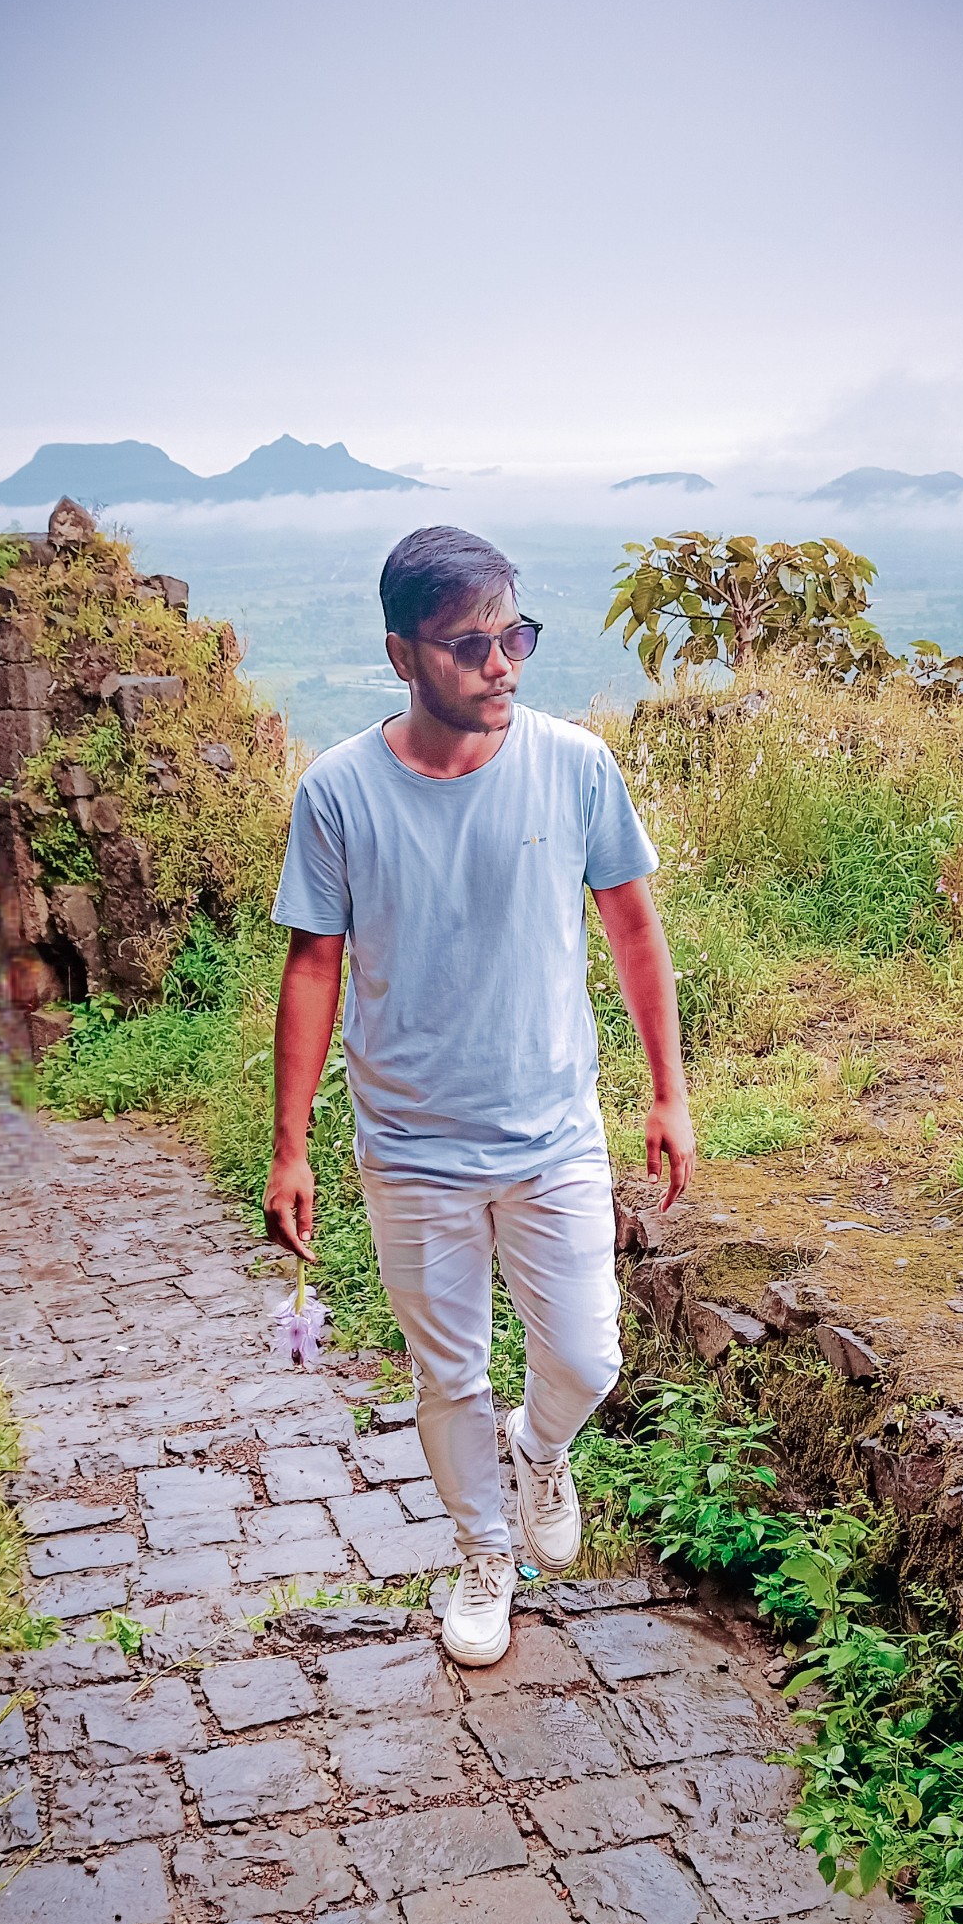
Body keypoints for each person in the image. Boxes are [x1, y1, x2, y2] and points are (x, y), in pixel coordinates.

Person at [266, 526, 695, 1667]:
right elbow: (312, 968)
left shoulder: (574, 765)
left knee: (588, 1359)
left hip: (551, 1131)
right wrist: (290, 1147)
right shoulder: (339, 793)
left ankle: (540, 1447)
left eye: (515, 636)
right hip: (409, 1145)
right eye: (469, 645)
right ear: (402, 655)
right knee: (447, 1375)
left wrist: (668, 1091)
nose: (501, 664)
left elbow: (633, 928)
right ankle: (482, 1552)